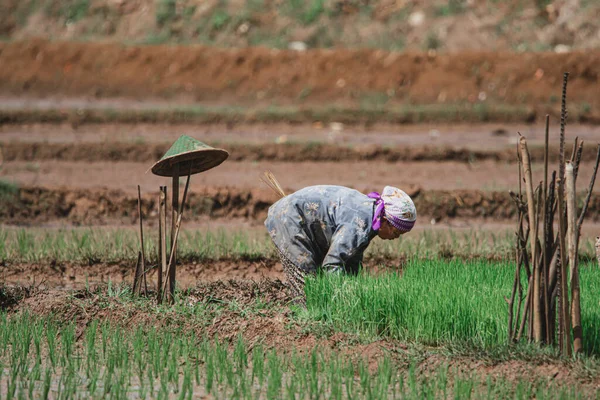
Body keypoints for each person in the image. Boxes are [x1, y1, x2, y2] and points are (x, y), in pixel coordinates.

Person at [264, 185, 417, 304]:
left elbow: (351, 259)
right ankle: (304, 322)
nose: (395, 238)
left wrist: (355, 288)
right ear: (385, 220)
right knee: (308, 286)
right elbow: (332, 264)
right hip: (289, 219)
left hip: (301, 220)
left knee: (318, 286)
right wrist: (344, 298)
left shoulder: (370, 215)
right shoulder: (358, 223)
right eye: (396, 233)